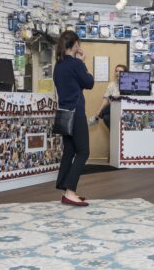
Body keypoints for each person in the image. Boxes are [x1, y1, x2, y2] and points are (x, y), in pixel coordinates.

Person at [53, 30, 94, 207]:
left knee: (69, 151)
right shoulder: (76, 64)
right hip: (76, 113)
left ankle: (65, 189)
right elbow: (89, 83)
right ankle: (70, 191)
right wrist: (82, 62)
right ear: (75, 45)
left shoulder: (58, 65)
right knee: (84, 151)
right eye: (78, 44)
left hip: (63, 113)